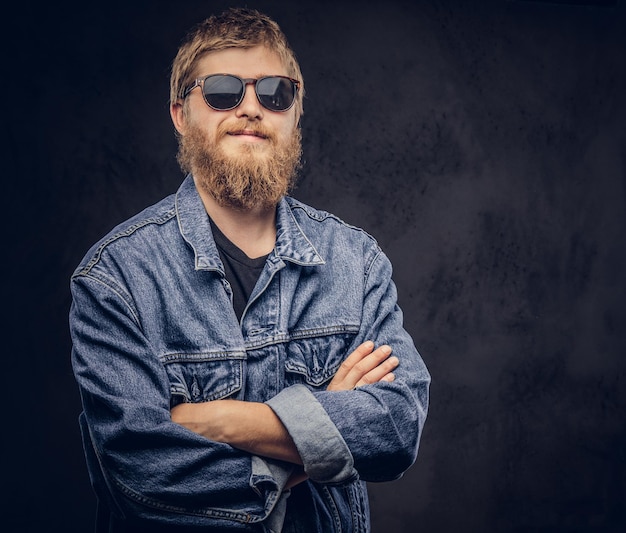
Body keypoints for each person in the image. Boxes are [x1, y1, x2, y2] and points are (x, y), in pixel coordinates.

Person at [69, 7, 430, 533]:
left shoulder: (357, 262)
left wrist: (224, 422)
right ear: (180, 114)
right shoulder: (115, 278)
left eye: (274, 92)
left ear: (296, 110)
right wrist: (316, 435)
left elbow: (397, 427)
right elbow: (140, 476)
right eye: (221, 91)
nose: (250, 109)